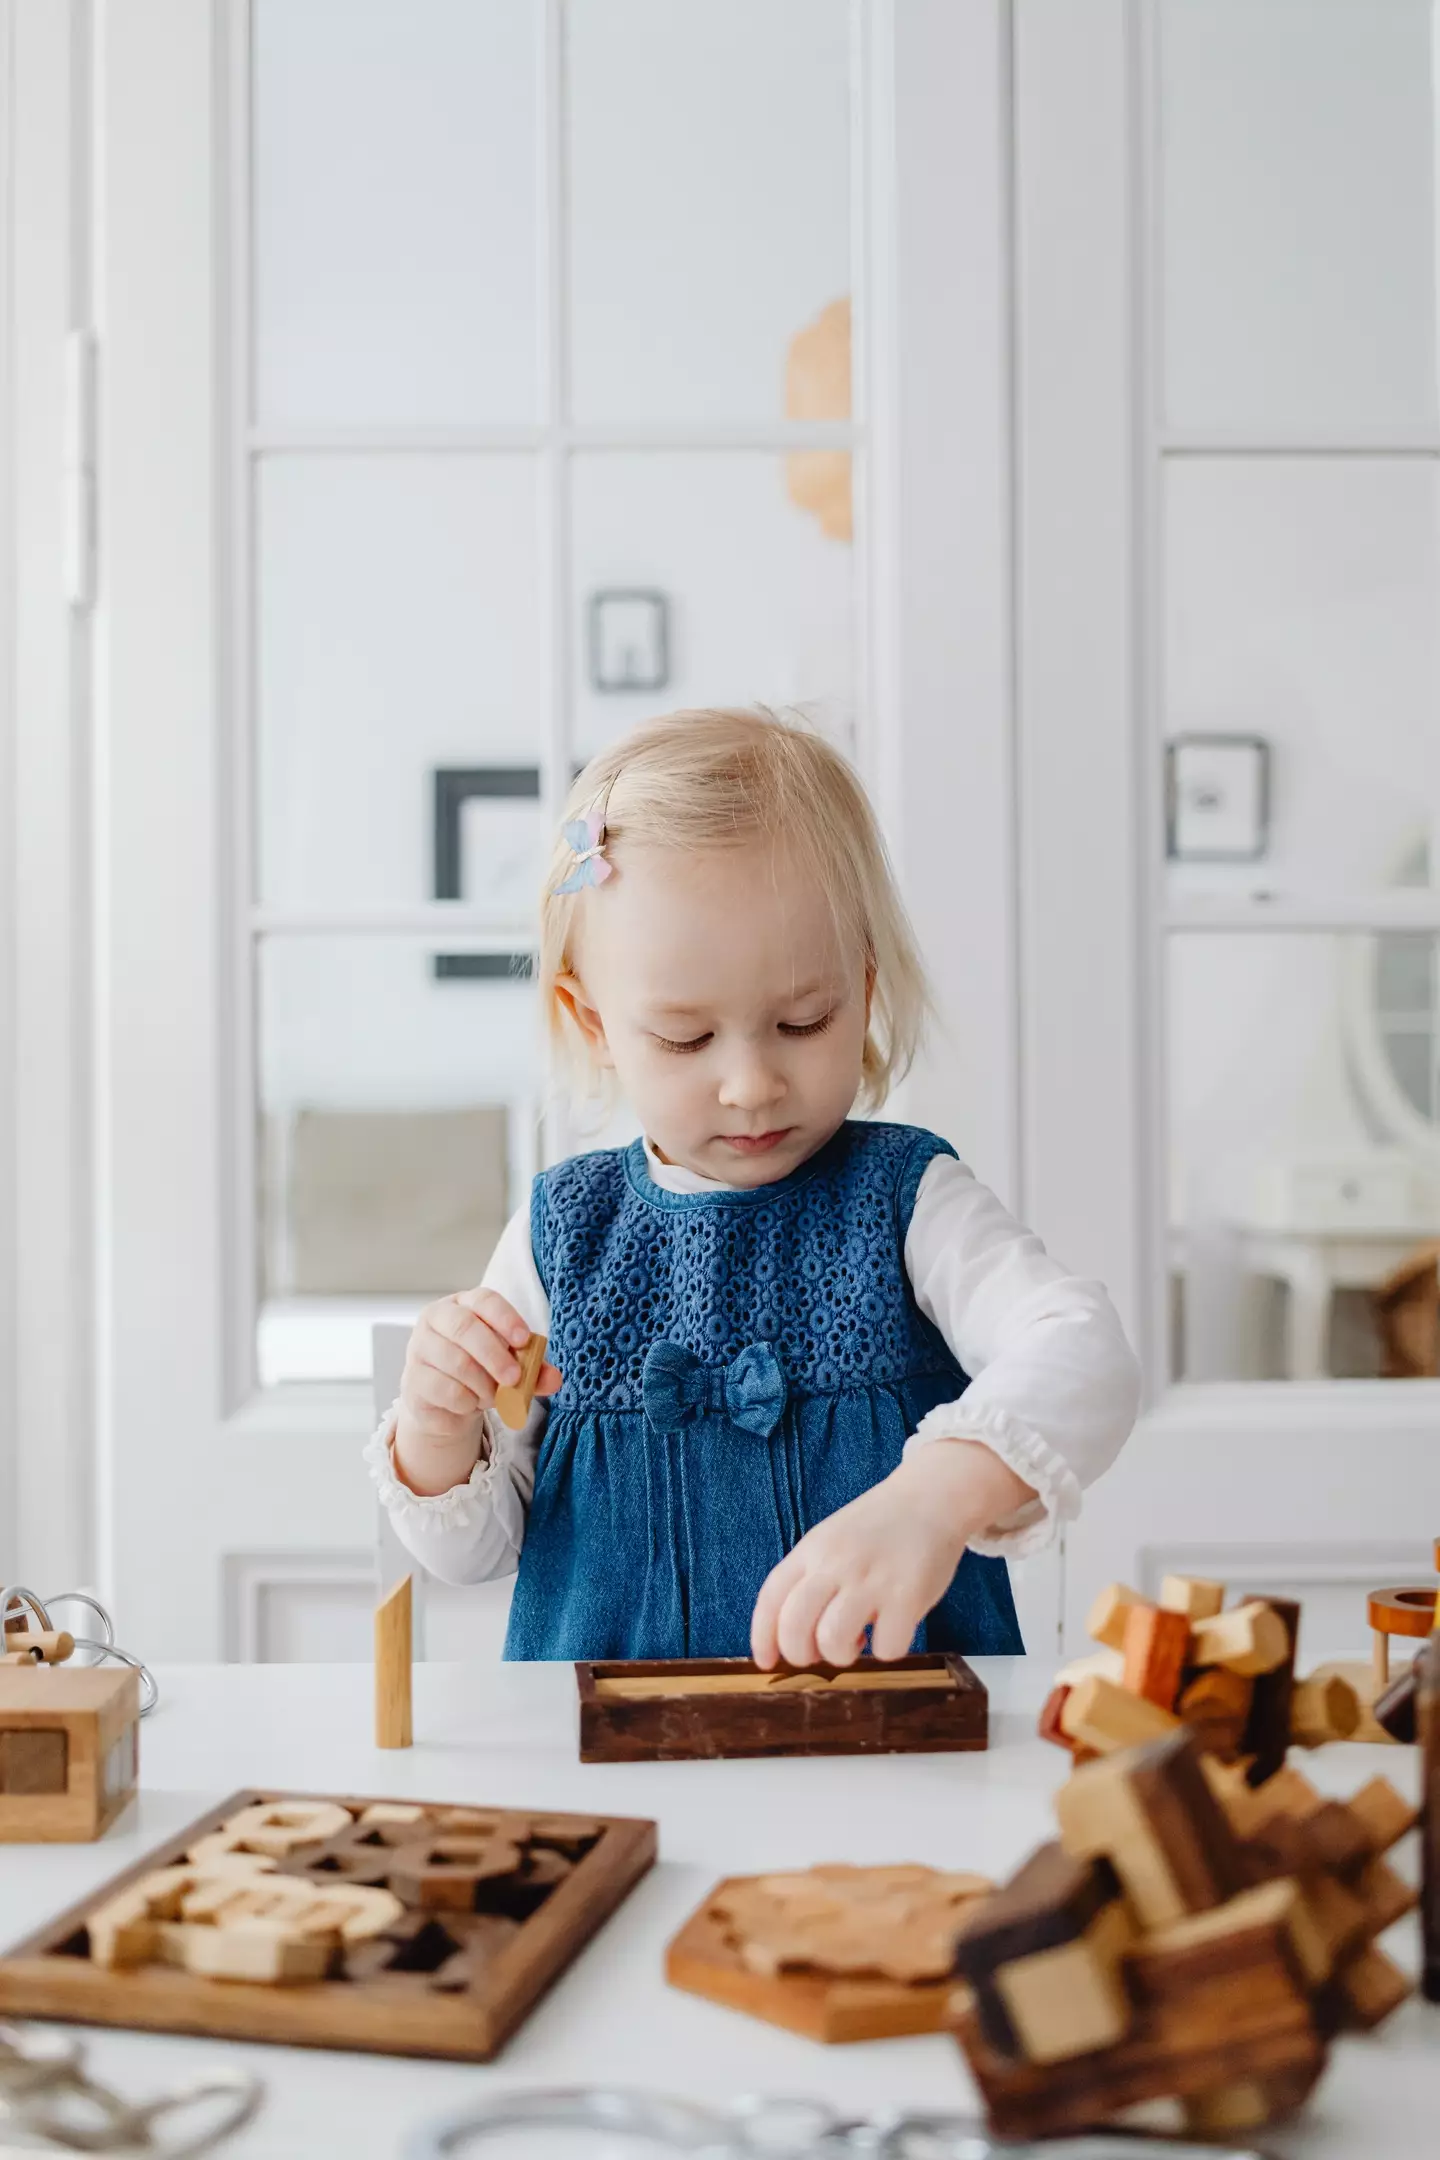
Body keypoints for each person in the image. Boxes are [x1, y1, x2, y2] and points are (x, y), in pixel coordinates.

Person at [367, 707, 1140, 1664]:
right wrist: (439, 1432)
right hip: (617, 1770)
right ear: (594, 1020)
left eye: (806, 1020)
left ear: (861, 988)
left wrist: (936, 1496)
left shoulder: (906, 1200)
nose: (752, 1083)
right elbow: (472, 1553)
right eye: (687, 1039)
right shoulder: (565, 1233)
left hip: (892, 1753)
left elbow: (1082, 1350)